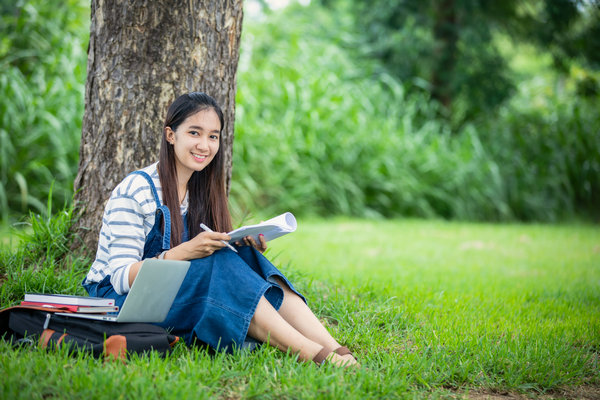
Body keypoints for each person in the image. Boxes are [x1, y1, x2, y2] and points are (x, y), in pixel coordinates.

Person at [83, 92, 358, 367]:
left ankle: (334, 347)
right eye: (195, 132)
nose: (204, 145)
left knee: (244, 257)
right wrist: (185, 251)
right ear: (170, 135)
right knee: (217, 263)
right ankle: (311, 353)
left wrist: (238, 245)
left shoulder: (199, 188)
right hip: (119, 302)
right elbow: (120, 277)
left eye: (213, 136)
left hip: (169, 292)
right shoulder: (136, 190)